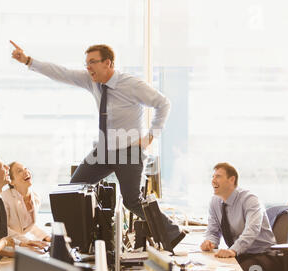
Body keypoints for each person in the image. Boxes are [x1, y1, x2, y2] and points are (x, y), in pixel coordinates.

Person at [10, 41, 184, 246]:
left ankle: (173, 232)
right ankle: (72, 240)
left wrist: (150, 137)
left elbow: (163, 104)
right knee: (73, 190)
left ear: (107, 63)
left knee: (132, 200)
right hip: (103, 150)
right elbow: (61, 72)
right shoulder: (91, 81)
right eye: (87, 63)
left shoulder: (131, 84)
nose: (88, 67)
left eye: (92, 62)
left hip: (128, 151)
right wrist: (28, 61)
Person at [192, 162, 282, 271]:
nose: (213, 180)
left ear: (232, 179)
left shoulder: (250, 200)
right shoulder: (215, 202)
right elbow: (213, 230)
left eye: (218, 176)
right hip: (239, 256)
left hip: (264, 256)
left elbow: (252, 230)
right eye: (213, 176)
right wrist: (210, 242)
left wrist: (233, 250)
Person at [1, 161, 50, 250]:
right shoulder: (4, 198)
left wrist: (46, 237)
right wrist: (27, 241)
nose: (25, 172)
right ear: (11, 182)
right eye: (19, 171)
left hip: (23, 245)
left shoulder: (35, 197)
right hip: (8, 246)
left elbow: (28, 227)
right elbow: (4, 230)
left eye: (25, 169)